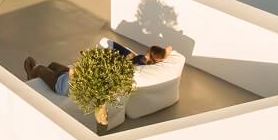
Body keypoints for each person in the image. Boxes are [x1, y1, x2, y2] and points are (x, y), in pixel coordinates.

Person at [24, 43, 170, 96]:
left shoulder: (133, 65)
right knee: (54, 64)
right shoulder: (142, 62)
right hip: (68, 78)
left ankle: (32, 76)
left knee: (36, 66)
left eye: (147, 54)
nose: (144, 55)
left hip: (62, 84)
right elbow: (168, 50)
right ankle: (39, 73)